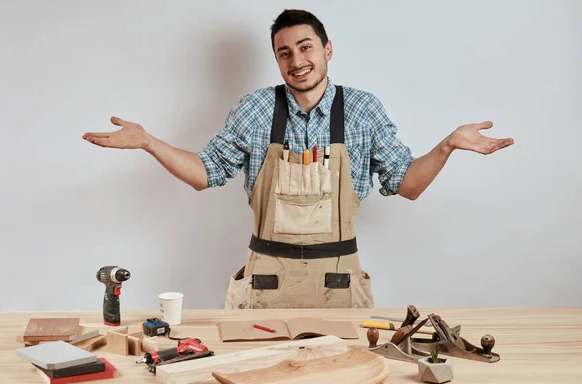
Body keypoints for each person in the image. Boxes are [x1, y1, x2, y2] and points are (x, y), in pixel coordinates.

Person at [82, 9, 513, 309]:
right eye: (284, 53)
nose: (296, 60)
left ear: (327, 49)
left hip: (340, 283)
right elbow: (204, 173)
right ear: (277, 61)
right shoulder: (255, 109)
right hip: (265, 282)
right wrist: (149, 142)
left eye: (305, 47)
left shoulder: (363, 110)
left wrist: (447, 146)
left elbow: (408, 185)